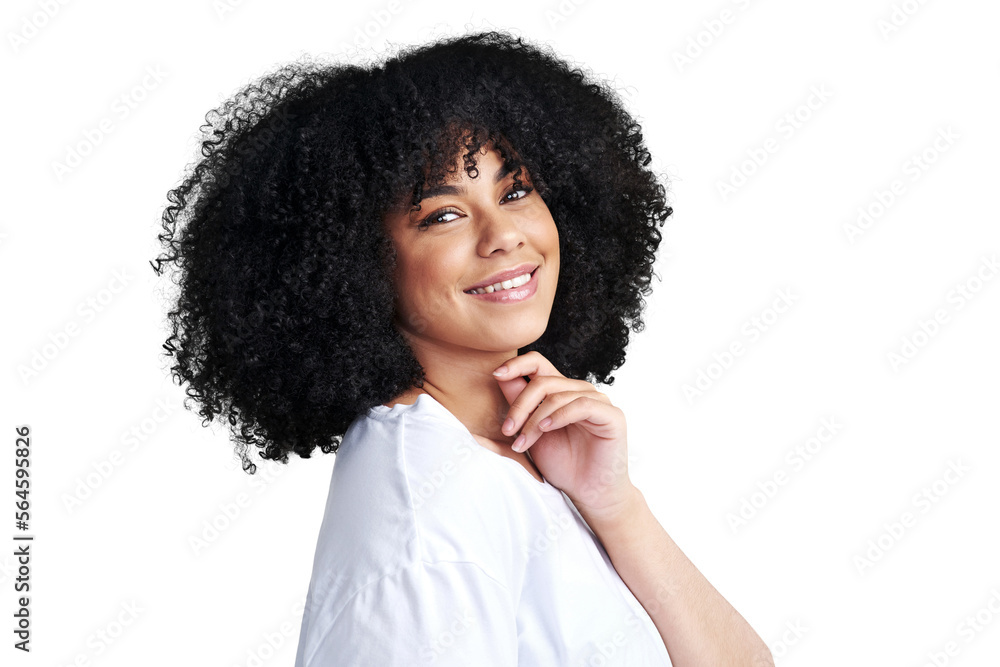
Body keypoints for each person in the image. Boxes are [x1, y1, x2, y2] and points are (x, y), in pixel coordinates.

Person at [151, 30, 773, 667]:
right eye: (442, 215)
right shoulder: (424, 520)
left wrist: (616, 507)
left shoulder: (518, 460)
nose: (503, 234)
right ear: (355, 264)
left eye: (515, 191)